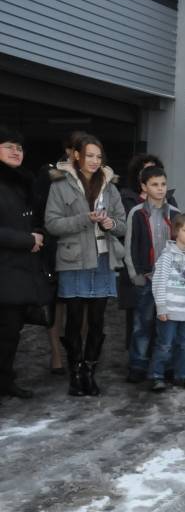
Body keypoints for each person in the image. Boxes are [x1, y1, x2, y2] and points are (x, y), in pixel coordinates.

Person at [44, 134, 127, 396]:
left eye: (98, 156)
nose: (94, 161)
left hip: (103, 259)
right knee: (74, 319)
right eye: (89, 155)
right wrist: (84, 219)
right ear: (77, 156)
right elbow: (52, 224)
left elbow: (123, 224)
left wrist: (111, 224)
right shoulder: (60, 185)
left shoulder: (110, 187)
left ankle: (90, 372)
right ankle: (75, 373)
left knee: (98, 321)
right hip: (74, 260)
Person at [0, 126, 50, 400]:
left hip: (20, 273)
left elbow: (33, 222)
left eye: (19, 148)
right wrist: (26, 239)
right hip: (5, 270)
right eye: (9, 146)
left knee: (11, 333)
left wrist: (38, 234)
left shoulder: (23, 183)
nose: (16, 152)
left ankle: (6, 381)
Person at [33, 130, 86, 376]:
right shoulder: (49, 174)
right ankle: (56, 354)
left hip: (84, 246)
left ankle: (80, 352)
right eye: (75, 148)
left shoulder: (93, 174)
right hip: (55, 246)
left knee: (83, 302)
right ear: (67, 150)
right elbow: (40, 211)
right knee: (57, 305)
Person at [117, 152, 178, 351]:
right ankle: (138, 365)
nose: (157, 185)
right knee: (140, 323)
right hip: (142, 272)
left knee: (165, 323)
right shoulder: (128, 201)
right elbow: (127, 240)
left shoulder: (171, 204)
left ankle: (160, 364)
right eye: (146, 172)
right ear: (141, 181)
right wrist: (136, 274)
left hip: (166, 274)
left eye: (160, 181)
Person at [150, 213, 185, 392]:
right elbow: (158, 282)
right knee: (165, 344)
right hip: (170, 310)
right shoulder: (166, 257)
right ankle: (157, 376)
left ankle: (182, 375)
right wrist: (162, 307)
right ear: (175, 232)